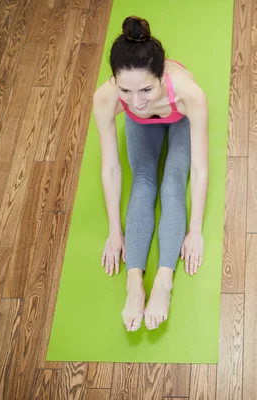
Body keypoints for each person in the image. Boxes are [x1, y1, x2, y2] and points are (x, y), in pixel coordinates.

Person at [93, 16, 209, 331]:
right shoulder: (106, 99)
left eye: (145, 88)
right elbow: (111, 168)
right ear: (114, 80)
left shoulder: (189, 94)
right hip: (143, 128)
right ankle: (134, 283)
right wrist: (115, 231)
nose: (137, 101)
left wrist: (195, 230)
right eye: (126, 91)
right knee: (143, 183)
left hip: (177, 118)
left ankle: (163, 281)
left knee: (172, 184)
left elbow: (198, 170)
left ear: (160, 77)